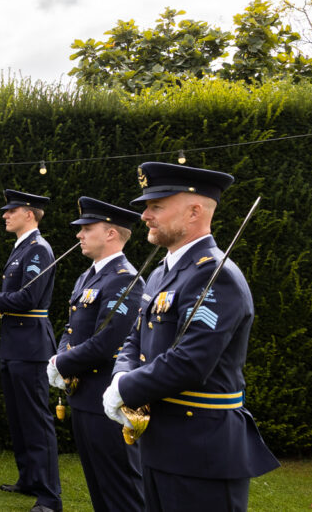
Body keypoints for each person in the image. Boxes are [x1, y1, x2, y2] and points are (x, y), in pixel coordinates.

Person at [104, 162, 279, 511]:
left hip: (202, 452)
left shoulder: (216, 276)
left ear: (194, 211)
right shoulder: (159, 275)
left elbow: (191, 360)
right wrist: (121, 374)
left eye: (156, 206)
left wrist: (126, 390)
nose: (144, 216)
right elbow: (134, 339)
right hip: (159, 445)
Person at [48, 197, 144, 512]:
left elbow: (107, 342)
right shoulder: (88, 276)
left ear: (111, 234)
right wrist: (59, 358)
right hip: (83, 396)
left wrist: (61, 362)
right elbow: (71, 327)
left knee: (122, 490)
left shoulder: (124, 278)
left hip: (107, 400)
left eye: (87, 229)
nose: (79, 235)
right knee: (99, 487)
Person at [0, 189, 61, 512]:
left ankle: (49, 496)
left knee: (37, 421)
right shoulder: (21, 249)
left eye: (11, 210)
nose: (5, 215)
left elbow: (28, 297)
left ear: (29, 214)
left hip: (31, 346)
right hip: (14, 344)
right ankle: (29, 478)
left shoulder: (38, 249)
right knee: (18, 419)